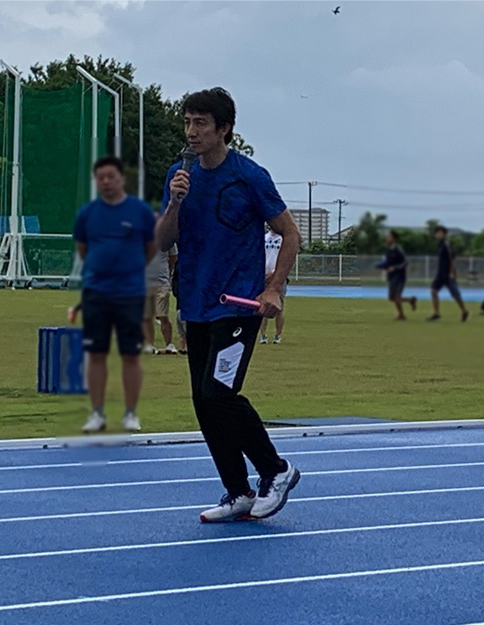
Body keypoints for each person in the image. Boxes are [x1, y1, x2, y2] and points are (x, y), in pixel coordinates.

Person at [156, 87, 301, 523]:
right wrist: (175, 201)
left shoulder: (250, 177)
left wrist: (273, 288)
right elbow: (163, 241)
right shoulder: (179, 176)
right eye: (187, 122)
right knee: (203, 401)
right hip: (196, 303)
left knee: (218, 392)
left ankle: (276, 470)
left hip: (237, 305)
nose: (192, 131)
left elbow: (290, 234)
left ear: (225, 129)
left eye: (201, 123)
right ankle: (236, 491)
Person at [72, 156, 157, 433]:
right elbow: (83, 249)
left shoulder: (139, 211)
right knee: (96, 354)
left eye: (111, 176)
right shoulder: (87, 214)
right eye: (101, 177)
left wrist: (129, 270)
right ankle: (97, 413)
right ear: (96, 181)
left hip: (130, 294)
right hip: (96, 293)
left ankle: (131, 413)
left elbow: (151, 247)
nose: (106, 182)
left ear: (121, 178)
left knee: (130, 355)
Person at [143, 243, 178, 354]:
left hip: (161, 282)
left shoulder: (166, 236)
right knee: (147, 317)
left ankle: (169, 344)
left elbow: (173, 257)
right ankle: (149, 344)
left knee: (163, 315)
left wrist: (168, 271)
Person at [428, 225, 469, 322]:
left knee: (455, 294)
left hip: (448, 275)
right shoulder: (440, 245)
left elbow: (452, 259)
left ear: (444, 234)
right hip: (440, 274)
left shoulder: (447, 245)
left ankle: (464, 311)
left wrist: (451, 272)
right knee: (433, 291)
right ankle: (436, 313)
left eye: (440, 233)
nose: (438, 235)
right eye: (436, 233)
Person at [378, 229, 417, 320]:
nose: (387, 238)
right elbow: (389, 262)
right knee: (391, 298)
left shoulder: (398, 250)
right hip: (392, 277)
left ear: (394, 239)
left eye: (389, 237)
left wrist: (395, 268)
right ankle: (411, 300)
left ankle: (401, 315)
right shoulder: (388, 250)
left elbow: (405, 262)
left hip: (400, 277)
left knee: (396, 297)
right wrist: (384, 267)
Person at [259, 224, 287, 343]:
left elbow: (287, 258)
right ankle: (263, 335)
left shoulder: (283, 240)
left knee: (279, 307)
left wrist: (277, 273)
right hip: (262, 276)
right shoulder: (263, 238)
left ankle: (277, 335)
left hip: (278, 276)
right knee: (262, 306)